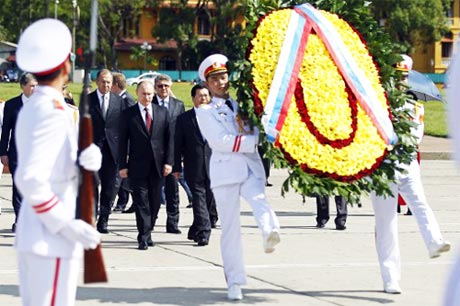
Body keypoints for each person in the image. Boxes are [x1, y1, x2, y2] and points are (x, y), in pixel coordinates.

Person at [13, 18, 101, 306]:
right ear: (66, 66)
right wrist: (64, 225)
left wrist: (82, 159)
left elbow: (53, 162)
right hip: (49, 236)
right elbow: (29, 178)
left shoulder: (42, 106)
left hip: (41, 235)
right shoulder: (50, 110)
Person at [195, 54, 280, 301]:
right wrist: (256, 142)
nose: (221, 82)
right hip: (225, 172)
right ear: (207, 84)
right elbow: (219, 142)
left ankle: (270, 232)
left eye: (223, 76)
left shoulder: (242, 104)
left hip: (250, 168)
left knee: (259, 199)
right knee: (230, 229)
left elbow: (254, 127)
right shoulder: (205, 111)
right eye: (215, 80)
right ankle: (234, 281)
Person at [371, 54, 450, 294]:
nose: (400, 82)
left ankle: (434, 240)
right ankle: (390, 278)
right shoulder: (377, 103)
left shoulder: (415, 106)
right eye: (396, 77)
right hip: (383, 169)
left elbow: (416, 136)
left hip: (406, 164)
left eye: (404, 77)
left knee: (420, 203)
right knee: (386, 223)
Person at [119, 80, 173, 250]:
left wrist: (169, 162)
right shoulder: (128, 114)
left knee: (155, 202)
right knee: (141, 201)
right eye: (144, 94)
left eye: (150, 94)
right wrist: (122, 165)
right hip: (137, 166)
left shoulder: (162, 112)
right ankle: (143, 236)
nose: (147, 97)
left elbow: (169, 140)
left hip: (158, 166)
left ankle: (148, 231)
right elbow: (122, 142)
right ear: (137, 93)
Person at [173, 84, 218, 246]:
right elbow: (177, 145)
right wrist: (176, 167)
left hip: (214, 166)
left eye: (206, 95)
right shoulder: (184, 119)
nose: (203, 98)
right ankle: (205, 232)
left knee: (208, 201)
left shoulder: (218, 116)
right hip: (194, 167)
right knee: (199, 199)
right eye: (200, 96)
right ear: (193, 98)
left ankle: (195, 229)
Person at [88, 69, 125, 233]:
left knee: (109, 188)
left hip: (112, 151)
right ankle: (92, 217)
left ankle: (104, 220)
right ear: (97, 82)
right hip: (92, 150)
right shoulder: (87, 100)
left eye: (109, 82)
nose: (106, 85)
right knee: (93, 185)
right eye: (103, 81)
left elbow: (123, 127)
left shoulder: (119, 102)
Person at [0, 72, 37, 232]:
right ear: (23, 86)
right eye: (32, 86)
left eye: (37, 85)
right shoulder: (11, 105)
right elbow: (5, 131)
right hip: (17, 154)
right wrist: (3, 152)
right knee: (18, 187)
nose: (35, 89)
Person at [153, 74, 185, 234]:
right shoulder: (149, 104)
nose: (163, 88)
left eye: (166, 85)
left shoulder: (178, 105)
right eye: (160, 86)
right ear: (155, 88)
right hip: (153, 156)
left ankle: (173, 223)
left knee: (173, 192)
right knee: (153, 191)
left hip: (173, 155)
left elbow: (182, 132)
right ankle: (149, 221)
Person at [111, 72, 136, 213]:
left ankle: (124, 202)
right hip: (118, 141)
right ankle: (123, 202)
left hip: (127, 144)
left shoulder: (127, 99)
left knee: (123, 176)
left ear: (115, 84)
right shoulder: (119, 98)